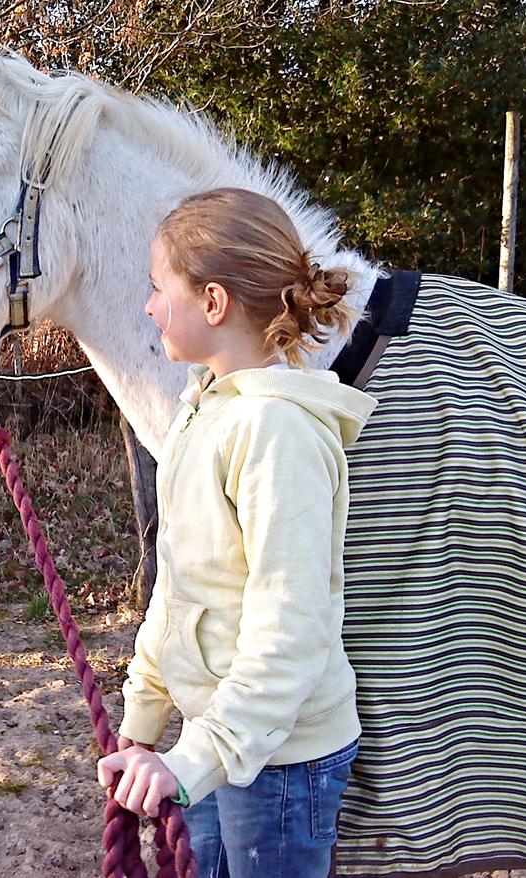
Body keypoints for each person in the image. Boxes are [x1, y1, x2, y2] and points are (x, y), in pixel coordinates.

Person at [96, 187, 379, 878]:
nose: (148, 307)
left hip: (279, 762)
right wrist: (143, 721)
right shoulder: (205, 412)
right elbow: (180, 588)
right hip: (219, 742)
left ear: (214, 302)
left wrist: (195, 758)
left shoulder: (275, 432)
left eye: (158, 288)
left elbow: (291, 627)